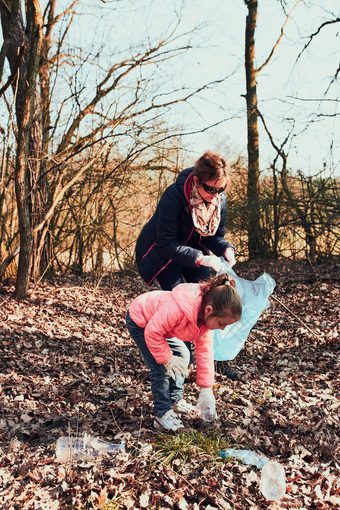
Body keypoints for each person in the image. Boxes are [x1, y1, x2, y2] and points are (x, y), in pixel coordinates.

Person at [125, 273, 242, 432]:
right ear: (209, 310)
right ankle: (161, 413)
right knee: (160, 367)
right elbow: (152, 332)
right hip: (141, 320)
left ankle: (175, 399)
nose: (222, 328)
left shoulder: (206, 322)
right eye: (222, 323)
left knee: (183, 355)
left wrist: (206, 390)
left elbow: (205, 353)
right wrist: (167, 358)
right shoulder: (178, 308)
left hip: (160, 327)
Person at [135, 150, 236, 291]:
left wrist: (226, 249)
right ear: (196, 181)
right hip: (163, 252)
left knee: (205, 292)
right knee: (177, 295)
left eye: (221, 189)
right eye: (210, 189)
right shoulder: (173, 196)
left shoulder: (220, 200)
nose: (215, 195)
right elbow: (166, 242)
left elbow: (214, 237)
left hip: (194, 249)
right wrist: (202, 259)